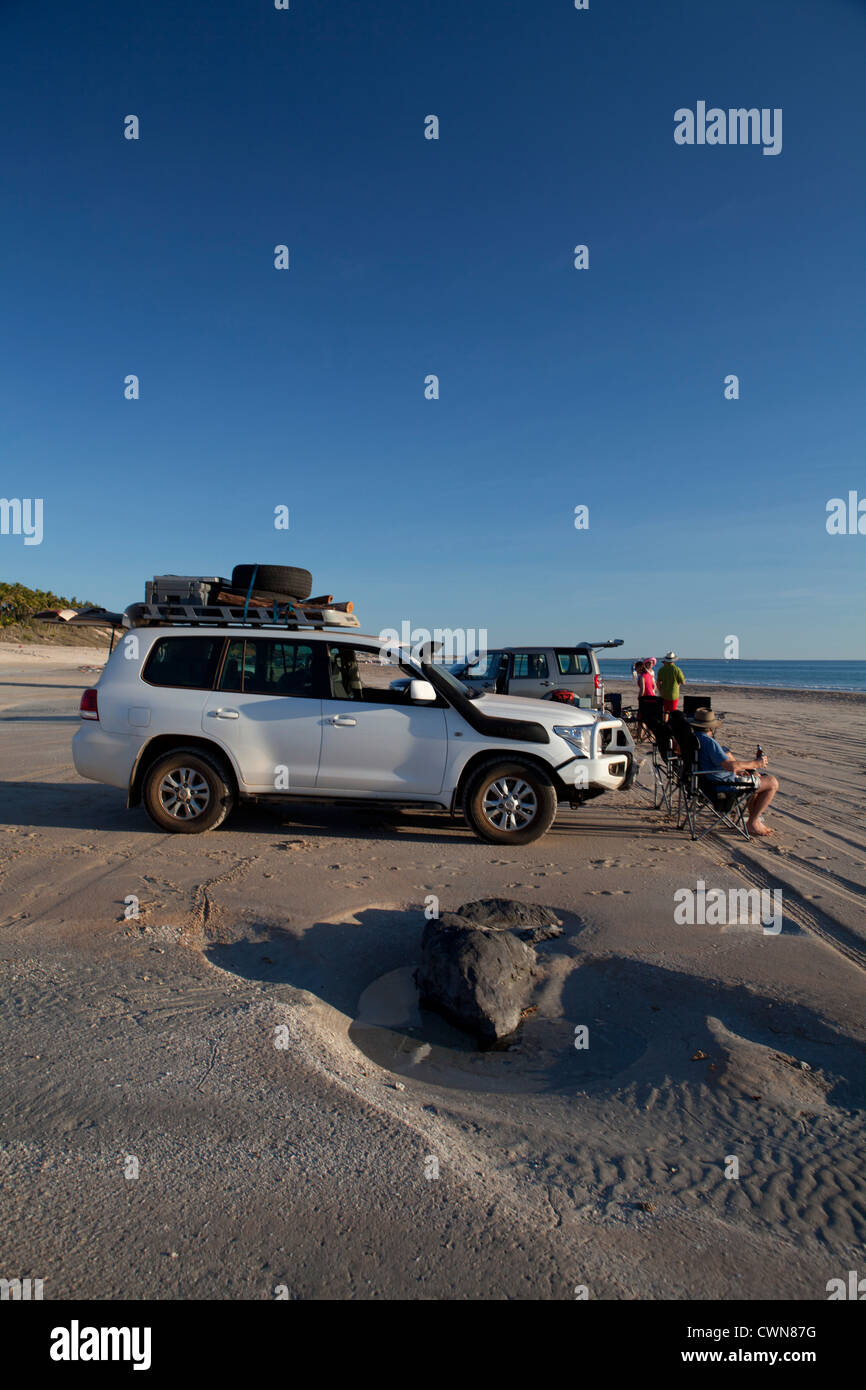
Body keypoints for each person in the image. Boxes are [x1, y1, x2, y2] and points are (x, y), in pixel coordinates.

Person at [689, 708, 778, 837]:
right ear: (711, 727)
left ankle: (754, 819)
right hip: (722, 785)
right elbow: (730, 766)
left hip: (705, 781)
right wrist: (756, 763)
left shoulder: (692, 738)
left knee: (754, 777)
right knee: (772, 782)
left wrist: (744, 771)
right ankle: (753, 822)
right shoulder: (709, 742)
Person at [657, 651, 685, 715]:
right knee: (673, 712)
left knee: (666, 712)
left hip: (664, 693)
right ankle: (671, 724)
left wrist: (660, 691)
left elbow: (658, 682)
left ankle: (666, 723)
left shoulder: (661, 669)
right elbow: (683, 682)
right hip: (673, 694)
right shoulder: (677, 669)